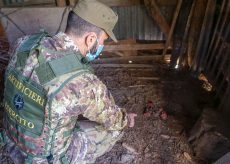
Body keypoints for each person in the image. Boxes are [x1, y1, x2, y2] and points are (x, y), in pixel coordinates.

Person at [0, 0, 137, 163]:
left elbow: (37, 78)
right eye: (103, 40)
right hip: (42, 159)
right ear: (91, 39)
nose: (102, 45)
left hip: (12, 141)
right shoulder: (84, 83)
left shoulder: (24, 44)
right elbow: (113, 118)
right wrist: (126, 118)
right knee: (116, 129)